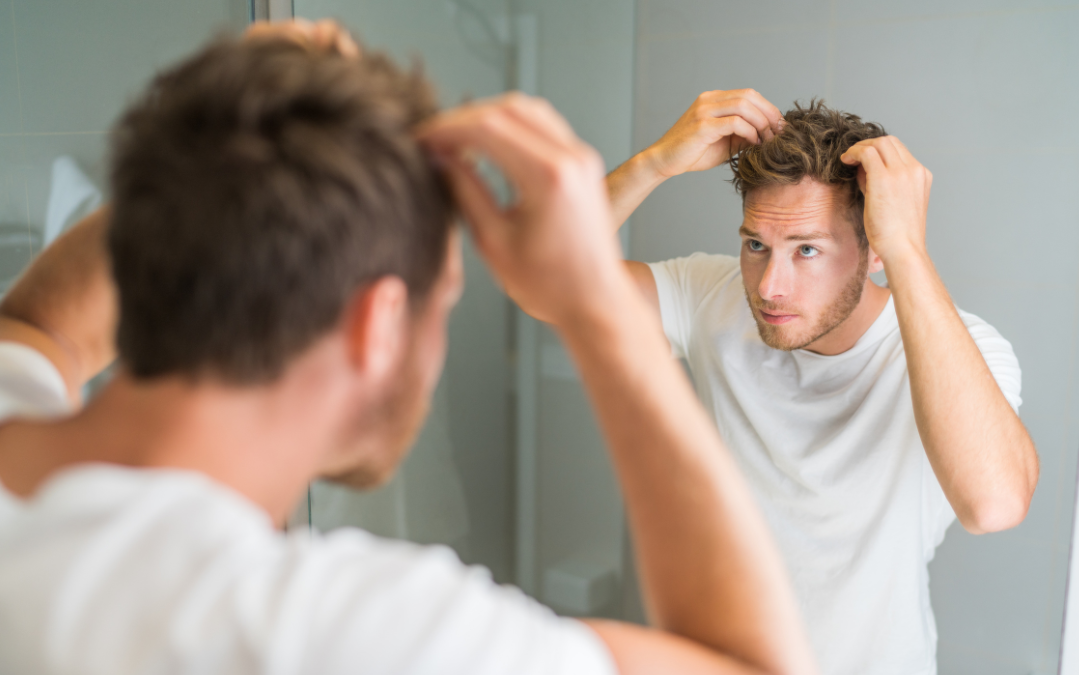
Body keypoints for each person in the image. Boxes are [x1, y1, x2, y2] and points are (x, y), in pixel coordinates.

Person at [0, 21, 818, 675]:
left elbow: (39, 326)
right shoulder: (337, 633)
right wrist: (591, 300)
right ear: (378, 323)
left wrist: (227, 141)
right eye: (445, 297)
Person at [605, 92, 1040, 675]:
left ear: (874, 251)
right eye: (756, 245)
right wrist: (653, 162)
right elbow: (546, 286)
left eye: (807, 249)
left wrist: (907, 248)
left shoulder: (961, 349)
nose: (769, 287)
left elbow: (994, 505)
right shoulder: (711, 297)